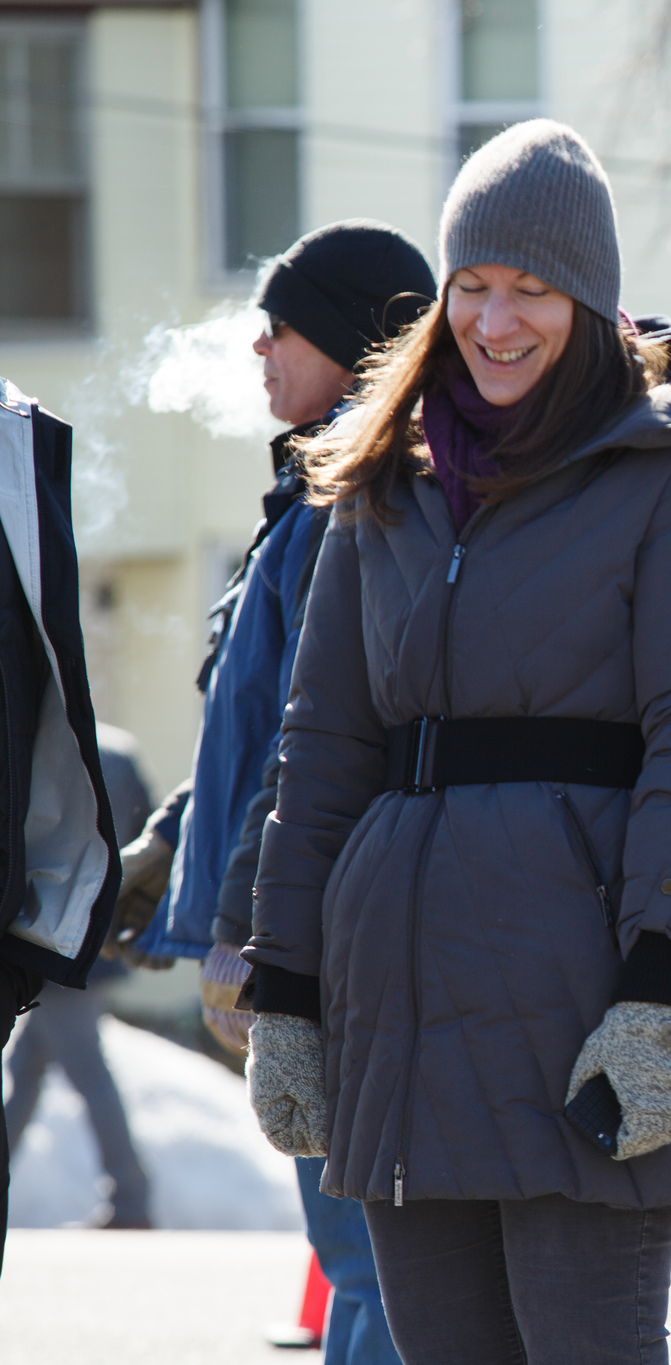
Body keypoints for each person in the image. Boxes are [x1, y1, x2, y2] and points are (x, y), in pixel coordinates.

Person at [240, 119, 671, 1365]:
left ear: (588, 301)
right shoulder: (383, 474)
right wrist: (289, 990)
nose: (495, 321)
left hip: (580, 1005)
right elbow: (320, 747)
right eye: (472, 286)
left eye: (530, 289)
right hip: (396, 1011)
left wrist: (662, 997)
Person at [117, 218, 434, 1364]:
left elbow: (320, 738)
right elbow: (248, 726)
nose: (256, 348)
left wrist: (248, 931)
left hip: (320, 939)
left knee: (367, 1267)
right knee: (360, 1259)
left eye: (280, 326)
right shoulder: (308, 493)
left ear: (352, 339)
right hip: (303, 925)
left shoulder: (350, 503)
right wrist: (167, 844)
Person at [0, 380, 123, 1275]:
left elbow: (83, 823)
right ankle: (134, 1189)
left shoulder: (16, 447)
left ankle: (134, 1191)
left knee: (70, 1075)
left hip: (58, 953)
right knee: (54, 1079)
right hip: (51, 949)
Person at [3, 724, 154, 1229]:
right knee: (28, 1071)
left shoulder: (44, 740)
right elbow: (146, 837)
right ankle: (129, 1193)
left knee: (86, 1071)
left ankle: (132, 1196)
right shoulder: (118, 751)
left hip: (48, 932)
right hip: (98, 935)